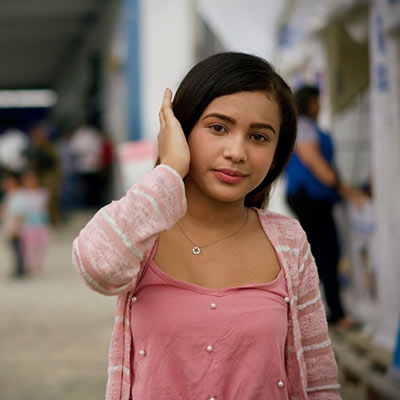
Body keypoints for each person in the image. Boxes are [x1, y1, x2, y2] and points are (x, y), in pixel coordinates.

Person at [73, 53, 341, 399]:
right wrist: (169, 170)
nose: (236, 151)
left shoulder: (288, 242)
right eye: (218, 128)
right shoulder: (143, 231)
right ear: (182, 130)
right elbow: (95, 266)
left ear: (277, 153)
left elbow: (319, 381)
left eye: (259, 137)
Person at [285, 85, 364, 328]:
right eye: (317, 100)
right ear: (309, 102)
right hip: (310, 197)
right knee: (326, 253)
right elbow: (314, 161)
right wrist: (342, 188)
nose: (320, 105)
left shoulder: (303, 126)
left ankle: (319, 313)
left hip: (311, 197)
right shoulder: (305, 126)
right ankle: (335, 314)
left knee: (320, 253)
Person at [20, 169, 50, 275]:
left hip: (41, 223)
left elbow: (45, 208)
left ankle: (37, 264)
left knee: (40, 245)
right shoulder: (21, 194)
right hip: (27, 224)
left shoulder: (42, 193)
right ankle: (29, 265)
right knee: (28, 246)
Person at [0, 172, 26, 278]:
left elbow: (19, 214)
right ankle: (18, 268)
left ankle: (20, 269)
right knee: (14, 249)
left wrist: (17, 228)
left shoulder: (17, 196)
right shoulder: (9, 195)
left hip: (15, 228)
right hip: (10, 227)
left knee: (17, 250)